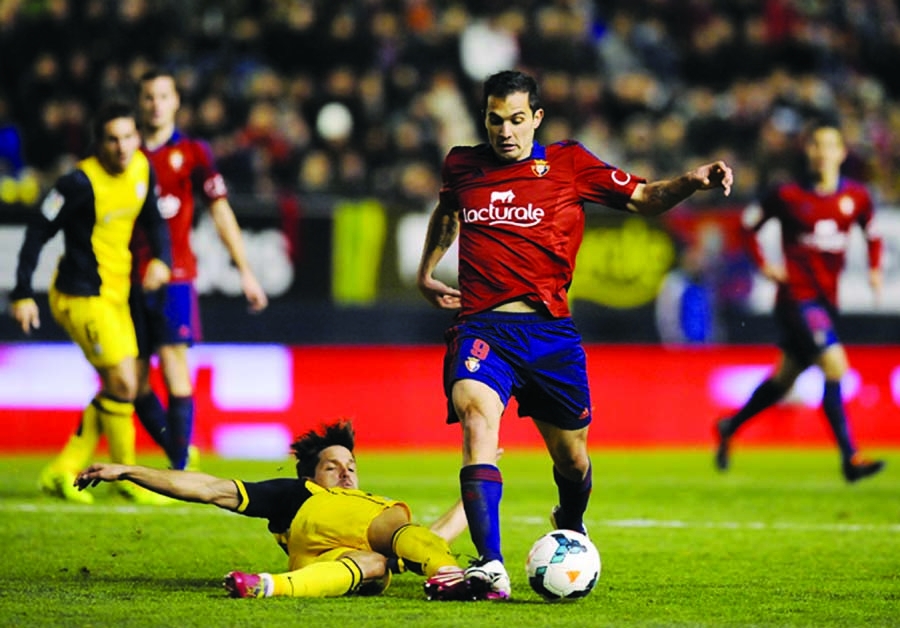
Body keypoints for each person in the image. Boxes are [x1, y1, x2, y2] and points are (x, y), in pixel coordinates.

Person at [416, 69, 734, 600]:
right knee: (476, 418)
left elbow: (643, 198)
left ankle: (570, 516)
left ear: (536, 118)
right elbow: (449, 212)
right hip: (483, 325)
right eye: (495, 120)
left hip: (549, 335)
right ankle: (489, 566)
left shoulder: (569, 163)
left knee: (573, 459)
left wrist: (692, 181)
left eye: (517, 120)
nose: (506, 132)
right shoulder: (462, 164)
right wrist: (427, 270)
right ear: (485, 120)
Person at [75, 420, 482, 601]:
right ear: (311, 475)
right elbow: (210, 489)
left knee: (378, 562)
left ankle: (268, 586)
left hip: (329, 562)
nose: (345, 473)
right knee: (396, 523)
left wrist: (480, 483)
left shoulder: (372, 518)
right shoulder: (297, 494)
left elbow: (432, 541)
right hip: (326, 525)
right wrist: (129, 470)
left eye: (351, 467)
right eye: (332, 466)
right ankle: (457, 577)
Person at [9, 101, 172, 505]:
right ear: (98, 142)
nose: (122, 148)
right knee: (122, 381)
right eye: (113, 139)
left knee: (120, 386)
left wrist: (162, 260)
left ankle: (63, 469)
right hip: (80, 296)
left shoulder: (141, 169)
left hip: (116, 295)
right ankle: (128, 477)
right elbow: (37, 231)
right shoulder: (78, 183)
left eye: (129, 138)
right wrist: (23, 292)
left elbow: (153, 218)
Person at [714, 120, 885, 483]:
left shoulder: (856, 197)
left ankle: (730, 425)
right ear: (809, 153)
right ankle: (849, 457)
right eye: (816, 146)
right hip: (795, 299)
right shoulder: (787, 195)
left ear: (841, 153)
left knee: (784, 378)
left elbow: (872, 233)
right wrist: (765, 266)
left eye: (830, 146)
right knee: (835, 367)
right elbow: (747, 226)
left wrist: (873, 269)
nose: (822, 153)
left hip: (826, 301)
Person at [131, 69, 268, 471]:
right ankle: (178, 455)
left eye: (163, 96)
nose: (156, 104)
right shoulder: (125, 150)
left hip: (175, 276)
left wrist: (245, 270)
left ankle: (178, 468)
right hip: (127, 277)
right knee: (132, 383)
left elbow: (221, 211)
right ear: (140, 104)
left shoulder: (193, 152)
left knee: (175, 366)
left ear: (176, 102)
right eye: (148, 97)